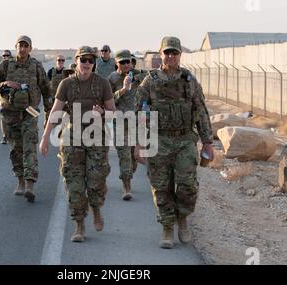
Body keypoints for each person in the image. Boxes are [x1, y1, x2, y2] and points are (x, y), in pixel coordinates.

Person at [135, 36, 214, 249]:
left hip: (184, 140)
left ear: (180, 55)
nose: (170, 56)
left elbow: (202, 112)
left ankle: (183, 219)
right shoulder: (150, 81)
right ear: (160, 54)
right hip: (158, 140)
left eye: (174, 53)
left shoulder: (189, 80)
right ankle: (167, 228)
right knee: (161, 186)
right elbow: (140, 115)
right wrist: (139, 144)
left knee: (188, 184)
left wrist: (208, 142)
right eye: (167, 52)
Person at [40, 46, 116, 243]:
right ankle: (79, 225)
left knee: (96, 179)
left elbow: (113, 112)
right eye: (84, 60)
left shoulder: (103, 83)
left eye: (91, 60)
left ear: (95, 63)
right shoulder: (66, 84)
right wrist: (45, 137)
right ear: (76, 61)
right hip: (72, 138)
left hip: (96, 138)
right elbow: (55, 113)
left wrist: (101, 113)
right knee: (74, 184)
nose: (87, 64)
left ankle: (96, 208)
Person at [0, 35, 53, 202]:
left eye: (26, 46)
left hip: (30, 112)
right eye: (20, 45)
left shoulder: (36, 67)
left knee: (30, 147)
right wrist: (6, 84)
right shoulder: (5, 66)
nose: (23, 49)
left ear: (30, 48)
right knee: (16, 149)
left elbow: (47, 91)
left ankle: (30, 185)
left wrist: (49, 115)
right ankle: (20, 181)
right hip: (10, 114)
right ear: (15, 47)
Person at [108, 49, 144, 201]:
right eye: (122, 62)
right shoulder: (112, 78)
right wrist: (122, 90)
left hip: (137, 121)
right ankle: (126, 186)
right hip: (120, 121)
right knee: (124, 155)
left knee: (133, 156)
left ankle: (129, 174)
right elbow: (108, 100)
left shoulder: (140, 75)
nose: (125, 64)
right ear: (116, 63)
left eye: (127, 61)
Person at [0, 50, 12, 144]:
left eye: (7, 55)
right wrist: (3, 85)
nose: (5, 57)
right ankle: (5, 136)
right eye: (4, 55)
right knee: (4, 117)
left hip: (16, 96)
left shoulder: (16, 66)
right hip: (4, 96)